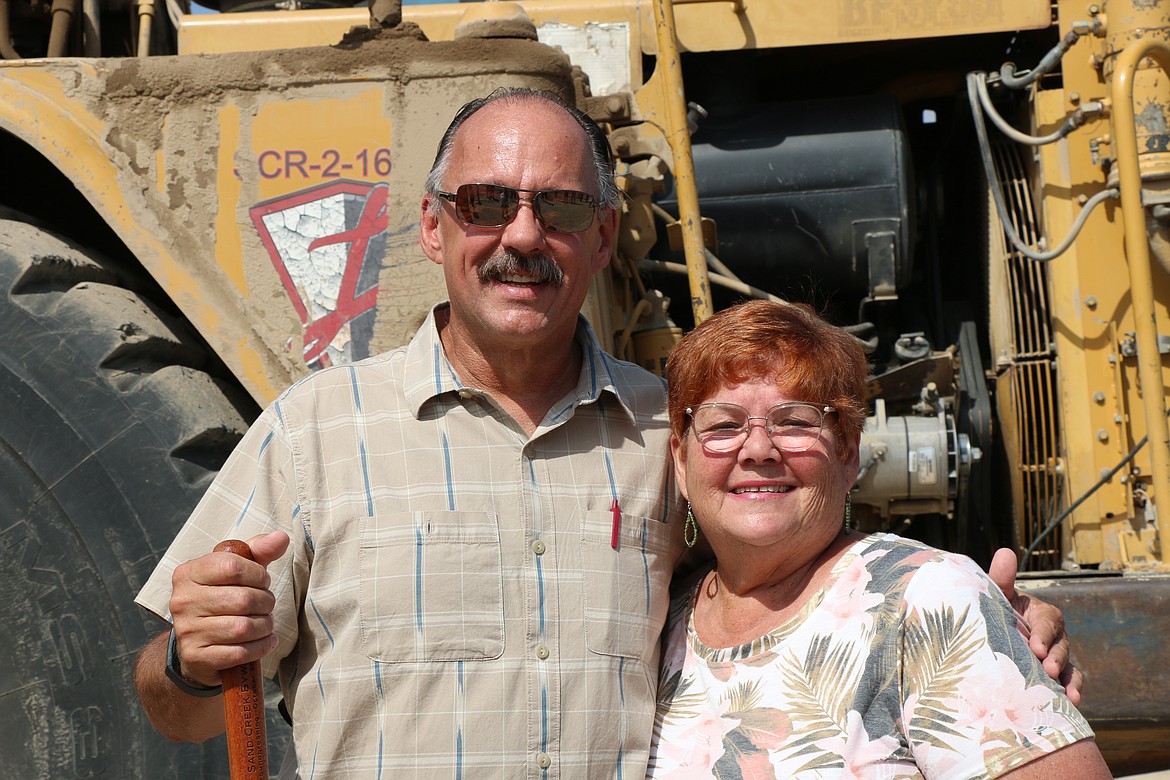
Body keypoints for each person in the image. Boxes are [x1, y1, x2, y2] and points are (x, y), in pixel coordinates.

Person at [132, 88, 1080, 778]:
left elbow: (792, 587)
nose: (522, 234)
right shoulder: (312, 433)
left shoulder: (671, 430)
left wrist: (979, 634)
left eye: (562, 206)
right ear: (431, 226)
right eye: (486, 202)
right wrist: (187, 659)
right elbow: (175, 708)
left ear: (602, 235)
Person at [648, 299, 1109, 778]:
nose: (759, 449)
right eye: (724, 424)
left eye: (795, 422)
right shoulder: (660, 619)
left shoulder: (927, 602)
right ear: (682, 462)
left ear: (849, 455)